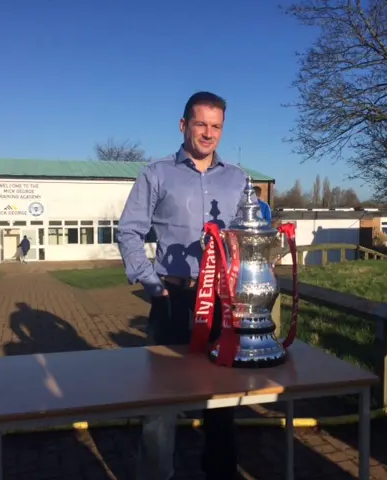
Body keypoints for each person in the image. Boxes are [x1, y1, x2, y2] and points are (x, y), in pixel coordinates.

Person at [117, 91, 247, 480]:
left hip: (222, 300)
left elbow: (244, 238)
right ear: (183, 125)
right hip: (172, 298)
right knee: (161, 401)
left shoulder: (239, 178)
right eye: (201, 124)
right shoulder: (155, 173)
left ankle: (220, 473)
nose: (208, 133)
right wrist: (153, 285)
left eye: (216, 126)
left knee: (224, 398)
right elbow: (129, 232)